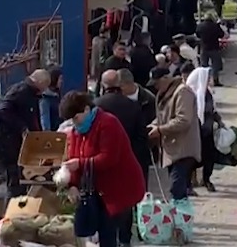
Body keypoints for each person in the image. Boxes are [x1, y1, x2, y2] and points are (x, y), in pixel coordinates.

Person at [60, 91, 146, 247]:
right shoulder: (76, 131)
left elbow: (108, 158)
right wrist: (73, 185)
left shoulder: (108, 123)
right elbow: (72, 158)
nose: (74, 123)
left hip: (119, 186)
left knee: (108, 232)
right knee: (98, 231)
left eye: (76, 118)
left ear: (86, 109)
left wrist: (81, 163)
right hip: (97, 190)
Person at [94, 70, 149, 247]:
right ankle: (125, 238)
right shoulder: (133, 106)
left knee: (106, 199)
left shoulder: (96, 106)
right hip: (128, 161)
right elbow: (142, 137)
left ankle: (107, 237)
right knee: (126, 200)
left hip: (103, 162)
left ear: (103, 85)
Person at [0, 69, 50, 198]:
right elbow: (2, 111)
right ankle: (12, 209)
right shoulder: (21, 91)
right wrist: (22, 127)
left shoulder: (31, 94)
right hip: (7, 142)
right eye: (45, 85)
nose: (45, 89)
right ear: (39, 82)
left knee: (18, 179)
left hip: (15, 143)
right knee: (14, 179)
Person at [147, 66, 202, 200]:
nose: (156, 87)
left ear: (166, 79)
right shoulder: (165, 94)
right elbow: (162, 117)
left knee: (176, 188)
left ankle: (181, 217)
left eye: (157, 83)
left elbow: (183, 120)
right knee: (177, 190)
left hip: (184, 149)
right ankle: (180, 216)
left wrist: (160, 130)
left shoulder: (183, 92)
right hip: (172, 150)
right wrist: (152, 126)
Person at [184, 65, 223, 193]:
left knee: (209, 156)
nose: (209, 80)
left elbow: (212, 110)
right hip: (194, 131)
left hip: (208, 130)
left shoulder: (208, 93)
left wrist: (219, 121)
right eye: (207, 78)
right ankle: (188, 183)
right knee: (193, 159)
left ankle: (206, 179)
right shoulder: (189, 94)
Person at [196, 12, 225, 86]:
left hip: (204, 48)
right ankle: (215, 81)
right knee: (215, 65)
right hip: (214, 48)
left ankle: (204, 81)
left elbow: (197, 35)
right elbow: (221, 35)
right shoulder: (215, 26)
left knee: (203, 66)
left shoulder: (200, 26)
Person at [39, 66, 63, 131]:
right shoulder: (45, 99)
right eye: (60, 78)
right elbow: (45, 121)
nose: (61, 81)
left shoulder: (57, 95)